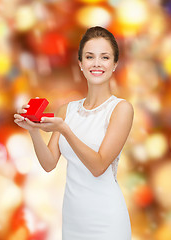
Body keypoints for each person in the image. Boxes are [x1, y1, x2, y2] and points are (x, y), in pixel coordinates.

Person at [14, 26, 133, 240]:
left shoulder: (121, 109)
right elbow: (49, 163)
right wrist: (33, 131)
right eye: (90, 57)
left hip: (106, 218)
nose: (96, 63)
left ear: (114, 64)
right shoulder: (66, 111)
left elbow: (98, 166)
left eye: (104, 57)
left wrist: (65, 130)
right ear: (81, 64)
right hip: (73, 217)